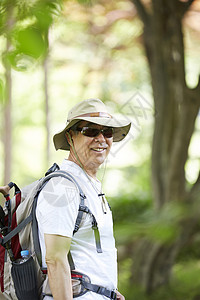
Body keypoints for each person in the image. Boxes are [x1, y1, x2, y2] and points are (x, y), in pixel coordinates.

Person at [36, 98, 131, 300]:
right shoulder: (62, 187)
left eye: (107, 132)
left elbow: (87, 252)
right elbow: (54, 259)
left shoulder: (88, 185)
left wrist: (109, 290)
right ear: (71, 137)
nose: (101, 139)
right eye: (90, 131)